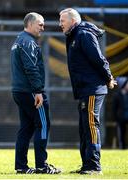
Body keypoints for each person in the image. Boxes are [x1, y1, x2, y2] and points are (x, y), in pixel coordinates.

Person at [59, 8, 117, 175]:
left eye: (62, 20)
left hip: (93, 88)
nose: (60, 24)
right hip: (85, 89)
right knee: (84, 127)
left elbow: (99, 59)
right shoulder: (74, 36)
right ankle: (86, 165)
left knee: (91, 125)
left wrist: (108, 77)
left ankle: (94, 166)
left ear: (72, 20)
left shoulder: (83, 34)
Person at [11, 12, 61, 174]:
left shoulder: (18, 40)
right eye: (40, 24)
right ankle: (42, 165)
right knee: (43, 124)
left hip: (19, 91)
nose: (43, 27)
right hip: (31, 92)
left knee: (26, 128)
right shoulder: (28, 42)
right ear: (30, 24)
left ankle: (21, 166)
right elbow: (31, 68)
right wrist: (38, 91)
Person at [113, 77, 128, 149]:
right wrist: (116, 118)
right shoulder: (117, 95)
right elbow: (114, 108)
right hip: (121, 117)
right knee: (121, 133)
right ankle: (122, 147)